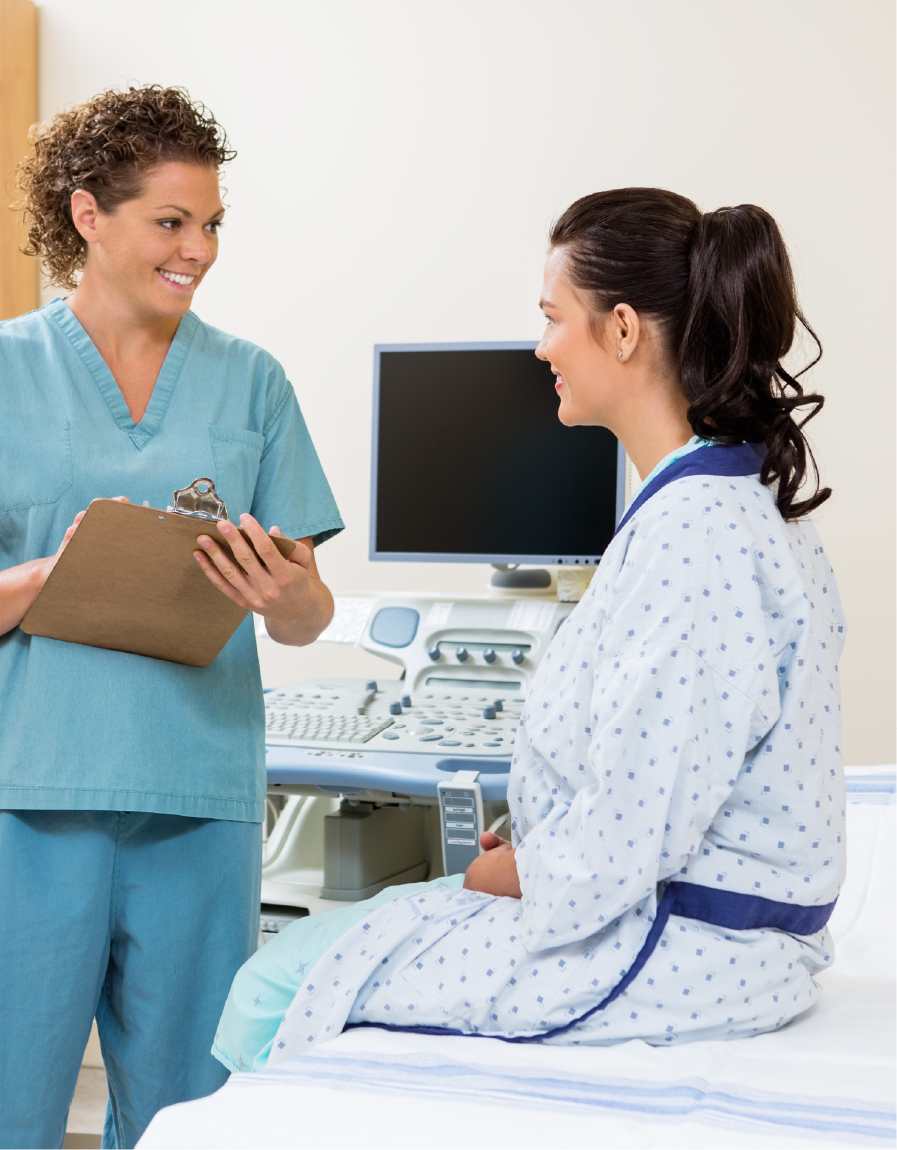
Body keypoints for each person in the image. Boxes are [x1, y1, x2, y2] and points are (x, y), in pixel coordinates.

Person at [212, 187, 845, 1072]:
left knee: (271, 991)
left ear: (621, 330)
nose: (540, 346)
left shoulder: (696, 537)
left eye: (552, 318)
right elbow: (657, 768)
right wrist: (541, 833)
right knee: (345, 940)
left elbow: (629, 837)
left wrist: (502, 872)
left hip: (680, 949)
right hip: (674, 920)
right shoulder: (713, 507)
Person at [0, 85, 343, 1149]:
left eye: (213, 225)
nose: (200, 250)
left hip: (195, 798)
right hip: (20, 797)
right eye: (172, 223)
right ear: (88, 215)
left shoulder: (251, 385)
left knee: (198, 1120)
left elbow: (306, 615)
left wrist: (285, 592)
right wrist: (61, 574)